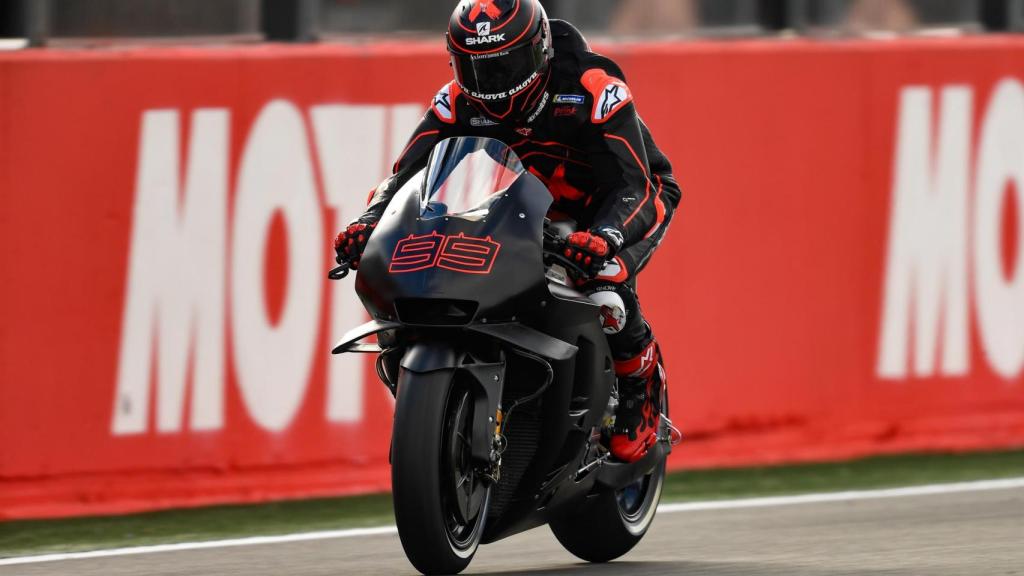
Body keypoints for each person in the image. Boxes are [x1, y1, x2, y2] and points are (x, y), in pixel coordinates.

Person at [334, 0, 682, 463]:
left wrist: (607, 236)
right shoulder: (456, 100)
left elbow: (634, 182)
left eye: (504, 66)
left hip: (618, 203)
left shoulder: (594, 88)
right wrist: (369, 222)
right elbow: (405, 176)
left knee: (605, 289)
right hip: (523, 210)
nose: (490, 84)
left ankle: (642, 385)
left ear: (539, 50)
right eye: (474, 68)